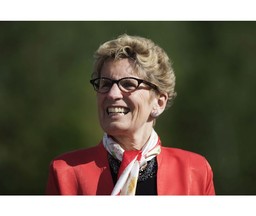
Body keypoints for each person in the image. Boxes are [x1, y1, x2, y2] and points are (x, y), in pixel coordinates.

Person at [45, 34, 215, 195]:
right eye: (105, 84)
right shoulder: (65, 172)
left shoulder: (195, 172)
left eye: (127, 84)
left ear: (159, 102)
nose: (112, 94)